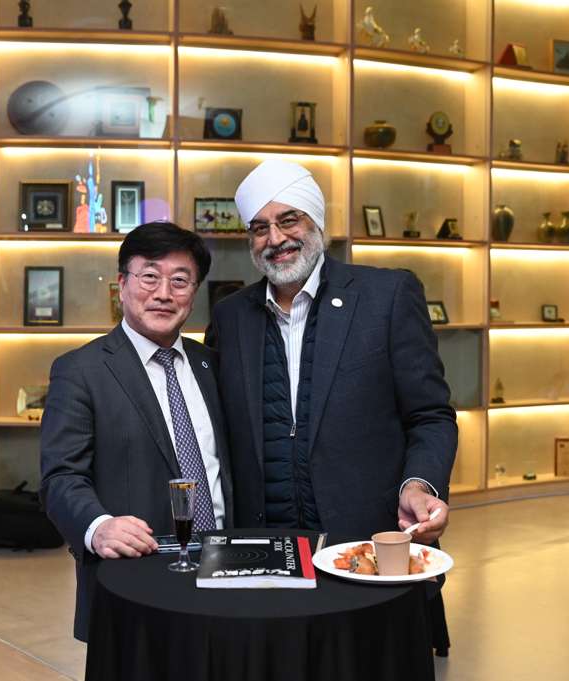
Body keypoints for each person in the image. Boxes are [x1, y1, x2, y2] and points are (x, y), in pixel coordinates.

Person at [207, 158, 457, 544]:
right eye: (259, 228)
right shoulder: (230, 317)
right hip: (266, 546)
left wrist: (419, 484)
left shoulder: (386, 297)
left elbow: (430, 415)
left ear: (316, 223)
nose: (275, 239)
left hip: (369, 540)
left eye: (288, 220)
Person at [40, 222, 234, 641]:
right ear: (122, 284)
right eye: (149, 276)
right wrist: (97, 526)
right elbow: (61, 477)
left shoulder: (213, 365)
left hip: (224, 570)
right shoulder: (80, 371)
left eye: (179, 281)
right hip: (134, 574)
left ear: (194, 292)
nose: (163, 293)